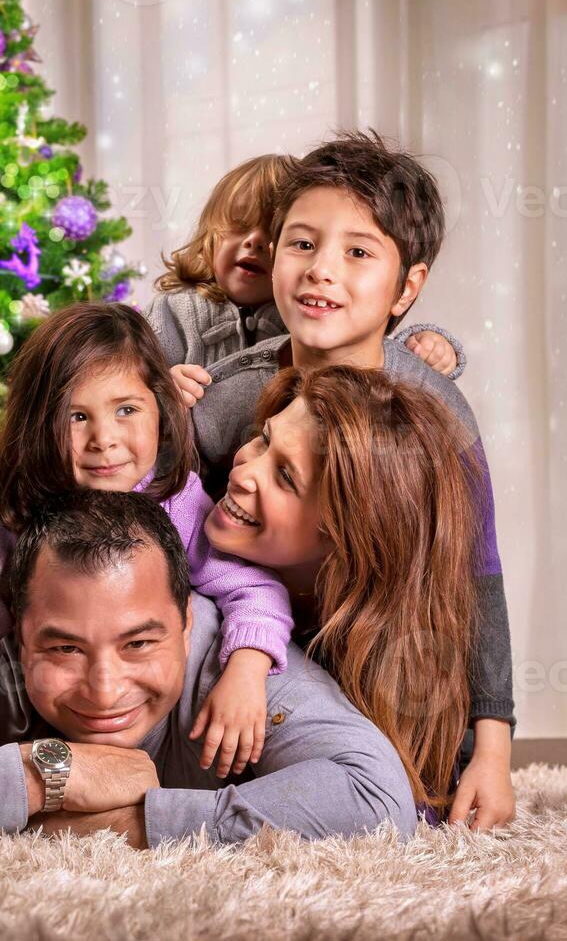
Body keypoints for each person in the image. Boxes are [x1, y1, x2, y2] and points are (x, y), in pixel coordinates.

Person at [180, 131, 516, 827]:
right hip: (254, 646)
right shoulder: (239, 392)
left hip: (378, 656)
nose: (319, 271)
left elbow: (476, 578)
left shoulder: (437, 414)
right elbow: (122, 480)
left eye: (356, 252)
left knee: (412, 784)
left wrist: (491, 751)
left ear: (406, 288)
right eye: (301, 244)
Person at [0, 489, 419, 848]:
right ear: (15, 637)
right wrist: (47, 773)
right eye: (63, 649)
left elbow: (375, 800)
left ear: (188, 622)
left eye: (139, 644)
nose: (105, 689)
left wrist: (126, 822)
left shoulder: (240, 666)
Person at [0, 303, 296, 784]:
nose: (104, 439)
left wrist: (245, 670)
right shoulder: (10, 504)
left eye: (126, 410)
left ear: (161, 410)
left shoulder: (173, 494)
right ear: (41, 423)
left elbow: (251, 586)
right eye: (77, 416)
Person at [143, 152, 465, 397]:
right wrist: (160, 390)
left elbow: (372, 348)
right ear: (209, 236)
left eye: (268, 231)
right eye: (237, 226)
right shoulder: (173, 313)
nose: (253, 241)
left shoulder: (310, 313)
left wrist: (430, 343)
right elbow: (119, 381)